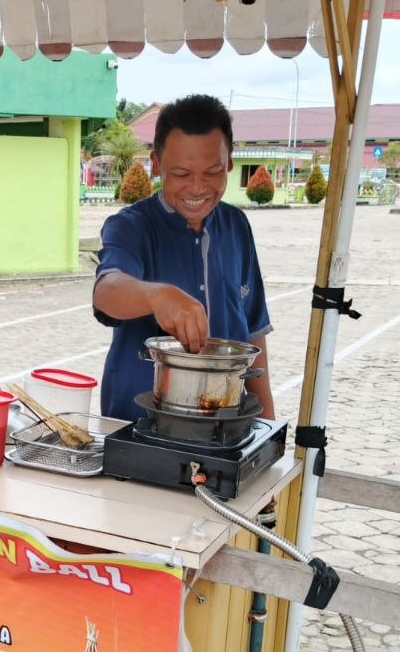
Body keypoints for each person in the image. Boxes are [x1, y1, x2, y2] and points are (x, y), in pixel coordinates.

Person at [92, 94, 274, 423]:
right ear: (156, 163)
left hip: (225, 425)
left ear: (230, 162)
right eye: (180, 174)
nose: (196, 188)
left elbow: (253, 331)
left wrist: (268, 423)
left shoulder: (236, 226)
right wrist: (158, 295)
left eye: (212, 172)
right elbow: (107, 292)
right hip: (138, 425)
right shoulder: (131, 227)